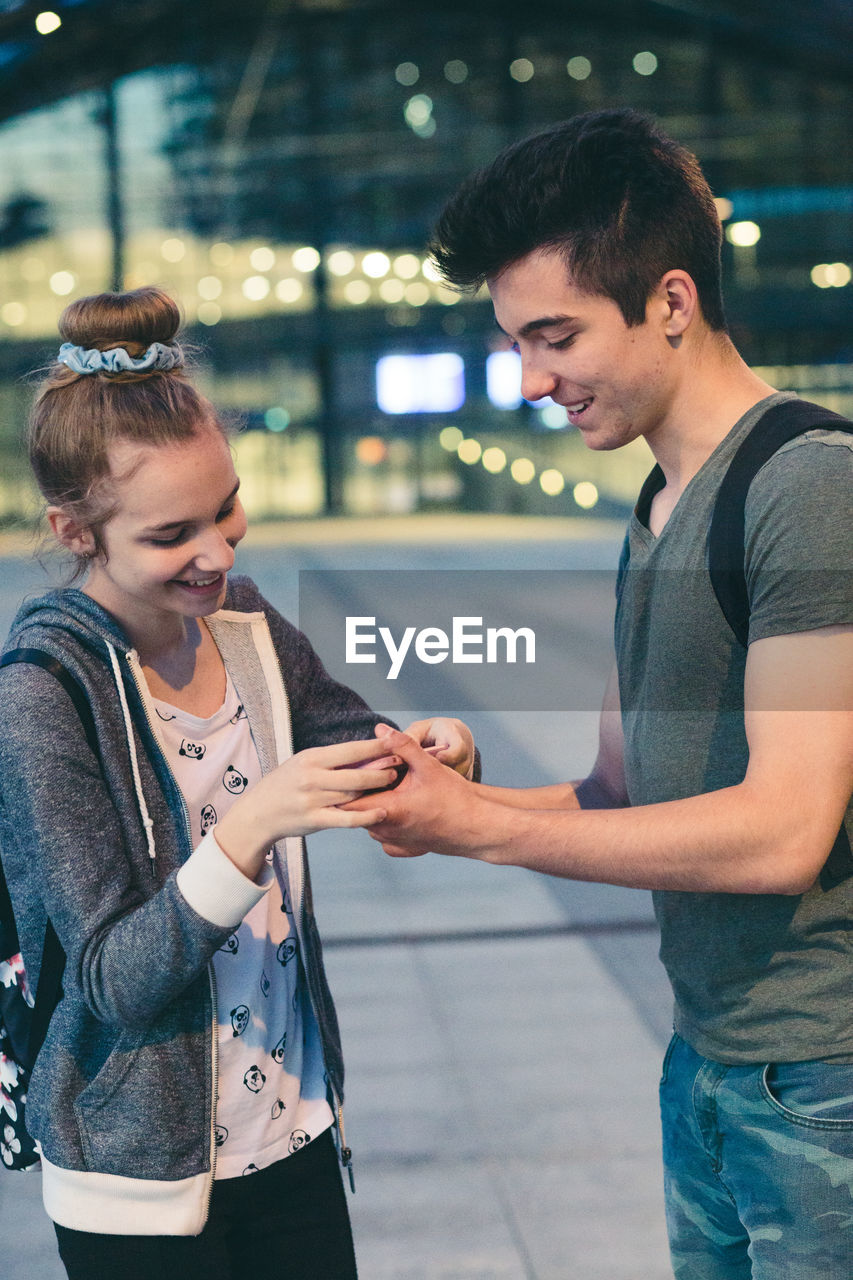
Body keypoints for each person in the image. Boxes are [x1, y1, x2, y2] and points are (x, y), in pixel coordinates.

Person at [348, 109, 853, 1278]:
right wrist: (452, 802)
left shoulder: (807, 488)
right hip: (710, 1066)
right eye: (516, 341)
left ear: (670, 301)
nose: (531, 379)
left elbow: (785, 830)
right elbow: (615, 793)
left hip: (822, 1077)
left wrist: (482, 830)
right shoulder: (656, 505)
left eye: (555, 335)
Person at [0, 286, 475, 1280]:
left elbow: (351, 733)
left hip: (294, 1126)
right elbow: (109, 976)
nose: (217, 550)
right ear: (76, 530)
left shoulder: (247, 623)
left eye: (225, 508)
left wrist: (428, 748)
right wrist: (248, 827)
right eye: (173, 534)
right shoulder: (43, 691)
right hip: (138, 1174)